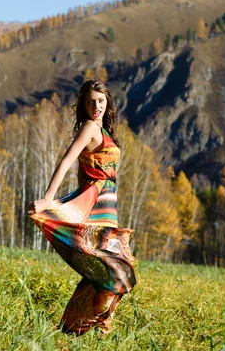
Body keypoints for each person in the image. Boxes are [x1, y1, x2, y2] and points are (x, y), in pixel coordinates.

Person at [26, 79, 137, 336]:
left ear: (107, 101)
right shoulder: (89, 127)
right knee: (116, 267)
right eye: (90, 102)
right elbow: (67, 160)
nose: (96, 106)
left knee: (105, 268)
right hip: (95, 201)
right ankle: (96, 323)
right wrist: (49, 198)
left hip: (107, 205)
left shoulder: (104, 130)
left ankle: (80, 327)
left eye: (100, 100)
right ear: (83, 106)